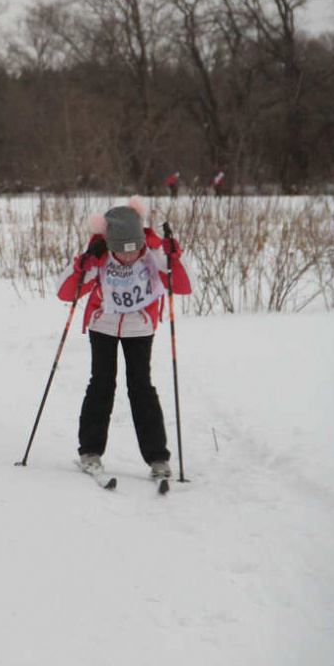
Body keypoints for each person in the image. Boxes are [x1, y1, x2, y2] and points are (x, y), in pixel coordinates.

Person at [57, 197, 191, 480]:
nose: (129, 256)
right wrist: (82, 265)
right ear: (110, 244)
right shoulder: (100, 256)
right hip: (103, 325)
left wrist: (174, 259)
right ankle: (90, 452)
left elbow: (182, 286)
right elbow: (66, 293)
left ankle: (157, 458)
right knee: (102, 384)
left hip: (139, 328)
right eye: (121, 251)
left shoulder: (153, 253)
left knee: (141, 387)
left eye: (134, 249)